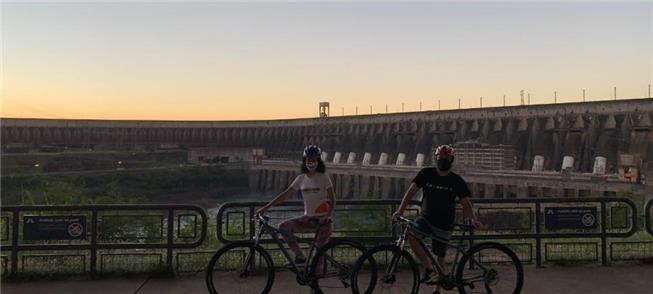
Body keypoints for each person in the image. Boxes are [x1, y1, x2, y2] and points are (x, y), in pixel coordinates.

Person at [392, 145, 481, 293]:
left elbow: (466, 202)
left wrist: (473, 219)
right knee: (412, 235)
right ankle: (428, 269)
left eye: (446, 158)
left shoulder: (456, 180)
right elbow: (411, 191)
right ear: (436, 159)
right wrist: (400, 211)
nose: (443, 160)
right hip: (426, 218)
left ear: (451, 160)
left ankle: (438, 290)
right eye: (440, 158)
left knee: (440, 256)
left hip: (445, 222)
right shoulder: (426, 173)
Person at [256, 145, 335, 267]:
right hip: (308, 219)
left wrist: (328, 216)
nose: (311, 162)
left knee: (317, 259)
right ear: (305, 161)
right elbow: (285, 195)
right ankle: (299, 256)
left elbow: (332, 198)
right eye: (308, 160)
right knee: (283, 227)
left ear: (318, 161)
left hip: (323, 222)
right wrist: (265, 208)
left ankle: (315, 283)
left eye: (313, 160)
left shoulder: (324, 177)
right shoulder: (301, 178)